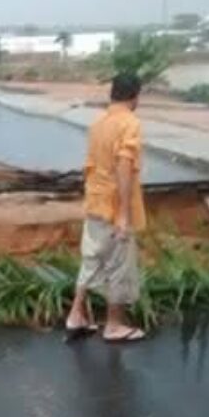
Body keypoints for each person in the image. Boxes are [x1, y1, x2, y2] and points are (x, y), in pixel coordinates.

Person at [66, 72, 147, 343]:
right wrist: (123, 214)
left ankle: (76, 315)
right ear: (135, 95)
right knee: (119, 266)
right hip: (113, 207)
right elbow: (124, 165)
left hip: (95, 201)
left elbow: (90, 166)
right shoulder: (129, 123)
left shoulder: (98, 123)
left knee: (91, 259)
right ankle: (113, 326)